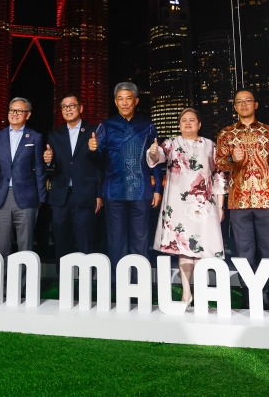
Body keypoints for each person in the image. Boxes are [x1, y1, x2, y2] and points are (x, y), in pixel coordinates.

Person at [215, 89, 269, 310]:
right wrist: (231, 158)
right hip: (238, 202)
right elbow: (219, 164)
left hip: (267, 200)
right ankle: (249, 299)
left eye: (248, 101)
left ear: (256, 104)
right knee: (243, 253)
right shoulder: (226, 134)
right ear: (235, 106)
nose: (244, 104)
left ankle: (268, 298)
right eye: (240, 102)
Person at [148, 107, 226, 304]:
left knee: (200, 248)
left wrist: (220, 205)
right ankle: (186, 292)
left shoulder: (210, 145)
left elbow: (219, 175)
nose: (188, 123)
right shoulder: (171, 143)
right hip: (178, 203)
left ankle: (199, 291)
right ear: (179, 125)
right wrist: (153, 152)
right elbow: (156, 159)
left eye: (192, 120)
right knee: (184, 248)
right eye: (184, 120)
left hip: (204, 205)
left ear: (199, 124)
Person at [89, 82, 161, 275]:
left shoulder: (147, 126)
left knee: (140, 240)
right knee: (116, 240)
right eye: (120, 99)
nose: (124, 102)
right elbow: (98, 161)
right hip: (114, 190)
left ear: (136, 101)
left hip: (141, 190)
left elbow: (156, 159)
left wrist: (157, 190)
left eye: (128, 98)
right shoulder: (106, 125)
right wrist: (93, 150)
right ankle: (117, 284)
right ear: (115, 102)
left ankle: (140, 283)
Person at [0, 97, 47, 259]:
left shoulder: (35, 137)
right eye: (12, 110)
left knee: (25, 245)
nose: (15, 114)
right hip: (0, 196)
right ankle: (3, 281)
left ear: (28, 115)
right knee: (2, 244)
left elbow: (40, 168)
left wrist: (41, 196)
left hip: (27, 197)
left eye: (19, 111)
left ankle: (24, 284)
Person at [43, 93, 103, 260]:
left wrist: (99, 194)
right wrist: (48, 161)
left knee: (86, 243)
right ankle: (62, 281)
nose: (68, 109)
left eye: (72, 105)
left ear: (81, 108)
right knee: (61, 243)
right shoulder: (54, 134)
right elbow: (51, 167)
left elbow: (101, 165)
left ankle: (87, 280)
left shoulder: (93, 131)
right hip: (60, 196)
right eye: (64, 106)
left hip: (85, 194)